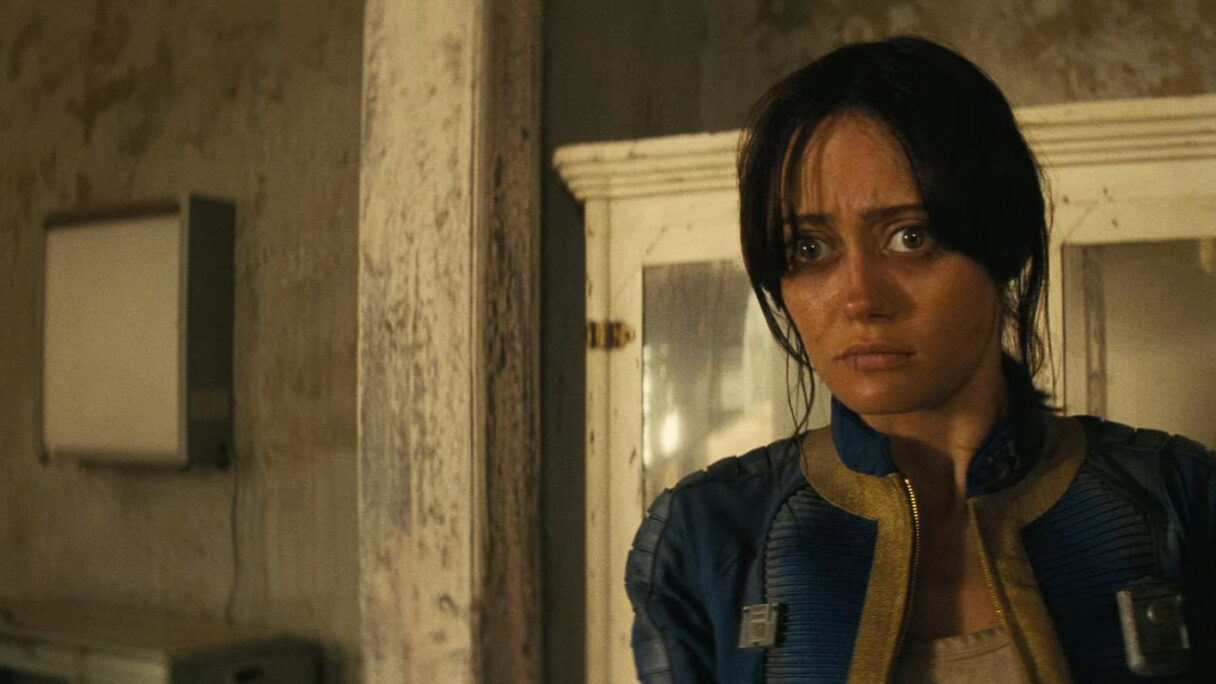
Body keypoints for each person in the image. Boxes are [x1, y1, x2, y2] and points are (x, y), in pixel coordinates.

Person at [624, 36, 1216, 683]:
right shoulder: (709, 538)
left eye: (911, 237)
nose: (860, 298)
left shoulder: (1178, 504)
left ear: (1003, 243)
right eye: (809, 249)